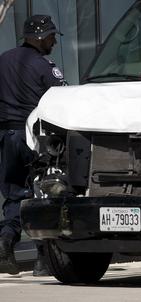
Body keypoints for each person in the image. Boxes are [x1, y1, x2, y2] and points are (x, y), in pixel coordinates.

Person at [0, 15, 65, 275]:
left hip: (5, 136)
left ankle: (6, 242)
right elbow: (62, 97)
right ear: (39, 38)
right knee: (40, 192)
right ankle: (43, 258)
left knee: (14, 192)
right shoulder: (43, 66)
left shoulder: (3, 60)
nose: (54, 42)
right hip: (31, 135)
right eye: (51, 37)